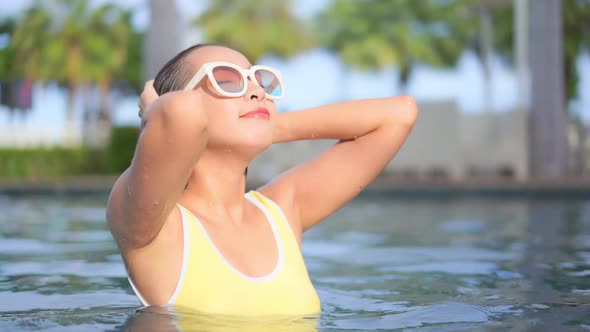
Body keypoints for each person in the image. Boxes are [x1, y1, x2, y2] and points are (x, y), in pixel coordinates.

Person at [106, 43, 418, 318]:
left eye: (259, 81)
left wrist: (267, 125)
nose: (257, 91)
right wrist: (154, 109)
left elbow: (398, 114)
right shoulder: (154, 227)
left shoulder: (282, 211)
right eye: (226, 80)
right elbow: (181, 113)